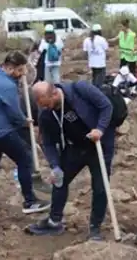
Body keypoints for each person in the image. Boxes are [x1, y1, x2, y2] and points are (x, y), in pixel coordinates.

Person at [25, 81, 115, 240]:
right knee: (60, 181)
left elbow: (106, 106)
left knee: (100, 188)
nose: (47, 108)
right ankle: (54, 222)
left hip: (99, 144)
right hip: (76, 147)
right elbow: (48, 142)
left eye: (48, 104)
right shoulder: (46, 113)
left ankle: (95, 228)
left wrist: (100, 129)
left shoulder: (80, 90)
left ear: (54, 93)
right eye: (43, 106)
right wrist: (54, 166)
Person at [0, 52, 50, 216]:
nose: (23, 74)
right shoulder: (8, 86)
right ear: (9, 68)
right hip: (1, 133)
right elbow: (14, 113)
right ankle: (30, 202)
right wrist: (25, 121)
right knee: (25, 159)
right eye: (20, 70)